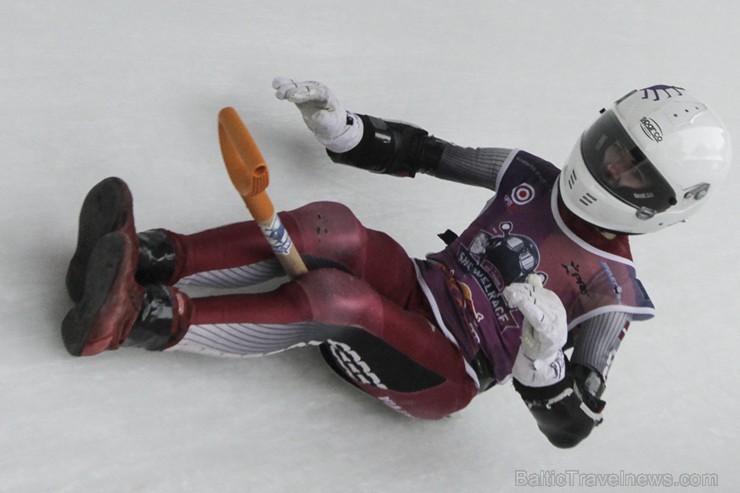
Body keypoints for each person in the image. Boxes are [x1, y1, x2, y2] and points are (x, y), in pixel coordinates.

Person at [61, 79, 731, 448]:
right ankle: (151, 256)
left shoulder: (614, 293)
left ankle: (138, 318)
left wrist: (544, 361)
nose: (609, 168)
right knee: (337, 228)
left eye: (634, 174)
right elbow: (435, 154)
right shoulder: (529, 175)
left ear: (663, 207)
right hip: (423, 284)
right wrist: (353, 132)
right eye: (613, 145)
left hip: (441, 370)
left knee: (338, 298)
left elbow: (574, 422)